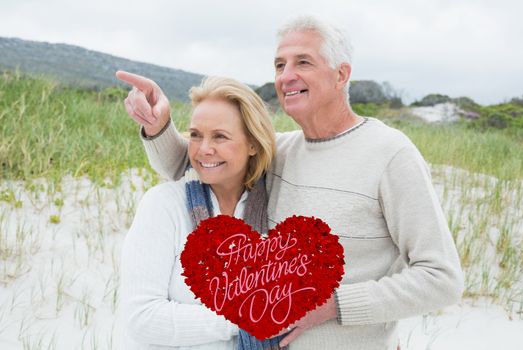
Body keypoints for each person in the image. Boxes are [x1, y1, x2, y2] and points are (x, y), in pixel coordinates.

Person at [118, 15, 464, 350]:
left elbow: (441, 278)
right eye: (279, 65)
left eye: (303, 62)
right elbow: (197, 163)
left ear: (341, 74)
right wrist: (157, 124)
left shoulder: (391, 155)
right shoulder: (281, 150)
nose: (286, 76)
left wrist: (334, 304)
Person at [119, 75, 281, 349]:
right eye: (195, 135)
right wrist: (244, 316)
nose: (204, 149)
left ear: (253, 144)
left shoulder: (275, 209)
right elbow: (142, 318)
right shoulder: (164, 205)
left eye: (220, 136)